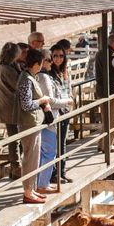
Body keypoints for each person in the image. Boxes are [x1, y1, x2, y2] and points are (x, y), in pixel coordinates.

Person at [15, 49, 52, 204]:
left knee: (33, 157)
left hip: (32, 123)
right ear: (37, 63)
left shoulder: (29, 77)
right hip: (28, 124)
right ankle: (28, 191)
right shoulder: (26, 79)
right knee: (30, 158)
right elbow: (26, 104)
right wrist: (42, 100)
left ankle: (31, 189)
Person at [35, 49, 73, 195]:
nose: (53, 61)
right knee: (49, 152)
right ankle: (42, 184)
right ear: (42, 62)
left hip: (44, 119)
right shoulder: (44, 77)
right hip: (49, 119)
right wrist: (67, 101)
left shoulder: (39, 76)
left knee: (44, 152)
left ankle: (41, 183)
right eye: (50, 59)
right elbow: (51, 100)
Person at [0, 42, 22, 180]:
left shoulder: (2, 67)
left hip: (6, 107)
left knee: (14, 138)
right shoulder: (8, 70)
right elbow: (19, 85)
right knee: (15, 139)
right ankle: (16, 167)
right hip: (11, 108)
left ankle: (15, 167)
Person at [48, 44, 73, 184]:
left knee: (62, 143)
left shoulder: (64, 71)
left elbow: (68, 88)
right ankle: (54, 173)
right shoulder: (49, 73)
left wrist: (71, 98)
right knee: (55, 144)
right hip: (57, 111)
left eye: (61, 56)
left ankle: (62, 172)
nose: (58, 59)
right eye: (55, 56)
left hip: (66, 110)